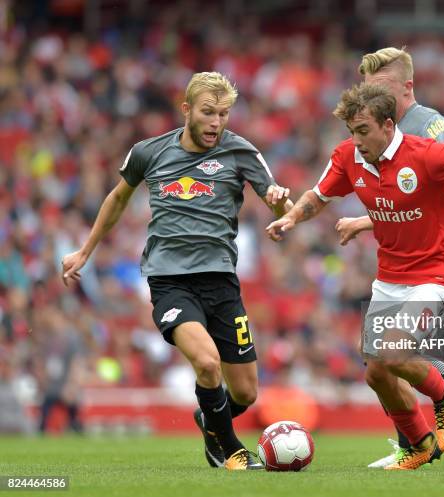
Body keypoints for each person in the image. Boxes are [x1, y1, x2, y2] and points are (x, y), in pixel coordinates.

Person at [266, 83, 444, 470]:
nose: (356, 140)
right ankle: (418, 445)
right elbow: (317, 196)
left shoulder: (426, 154)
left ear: (387, 124)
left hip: (438, 268)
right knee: (377, 372)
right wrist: (292, 217)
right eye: (352, 132)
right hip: (390, 274)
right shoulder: (349, 157)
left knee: (396, 351)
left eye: (363, 131)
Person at [62, 72, 293, 471]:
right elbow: (118, 198)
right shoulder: (148, 153)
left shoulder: (241, 153)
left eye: (223, 114)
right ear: (186, 109)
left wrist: (278, 206)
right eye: (208, 112)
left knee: (246, 392)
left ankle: (210, 421)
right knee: (206, 363)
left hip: (221, 281)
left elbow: (284, 211)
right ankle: (229, 451)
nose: (216, 122)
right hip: (169, 281)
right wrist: (86, 250)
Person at [334, 47, 444, 468]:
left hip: (436, 253)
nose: (368, 94)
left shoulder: (432, 125)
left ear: (405, 87)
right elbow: (398, 195)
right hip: (402, 253)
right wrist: (365, 222)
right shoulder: (379, 132)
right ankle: (415, 443)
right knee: (381, 362)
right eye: (364, 86)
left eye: (377, 87)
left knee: (397, 350)